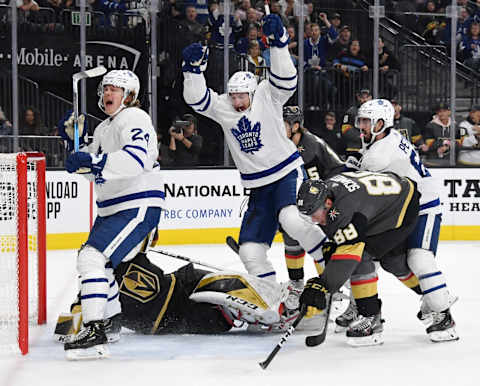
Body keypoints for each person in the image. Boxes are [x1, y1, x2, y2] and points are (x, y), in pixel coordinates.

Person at [182, 14, 328, 286]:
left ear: (251, 91)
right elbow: (197, 100)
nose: (237, 102)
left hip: (285, 173)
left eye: (241, 96)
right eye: (233, 96)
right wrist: (191, 71)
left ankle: (331, 272)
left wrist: (279, 44)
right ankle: (271, 298)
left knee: (293, 220)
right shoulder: (224, 106)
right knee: (249, 250)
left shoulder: (266, 94)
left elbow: (286, 79)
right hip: (258, 187)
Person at [57, 70, 165, 360]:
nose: (107, 93)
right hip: (113, 208)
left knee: (91, 258)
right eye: (105, 88)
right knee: (101, 267)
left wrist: (92, 159)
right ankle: (110, 323)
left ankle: (94, 333)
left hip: (136, 203)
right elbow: (90, 170)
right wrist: (72, 145)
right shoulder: (105, 127)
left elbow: (137, 159)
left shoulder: (134, 118)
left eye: (115, 89)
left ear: (129, 96)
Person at [351, 99, 458, 342]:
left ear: (382, 123)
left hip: (423, 206)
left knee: (419, 258)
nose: (362, 127)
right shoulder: (383, 140)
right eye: (362, 121)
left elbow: (364, 183)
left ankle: (443, 315)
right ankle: (431, 296)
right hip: (401, 207)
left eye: (367, 121)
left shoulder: (379, 154)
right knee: (391, 261)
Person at [55, 249, 303, 341]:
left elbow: (149, 235)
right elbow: (73, 317)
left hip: (178, 289)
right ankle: (275, 314)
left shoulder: (120, 257)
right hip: (174, 316)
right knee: (222, 294)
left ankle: (276, 301)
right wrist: (67, 331)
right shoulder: (94, 291)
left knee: (223, 281)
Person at [297, 171, 421, 346]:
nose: (313, 219)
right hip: (386, 198)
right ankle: (430, 293)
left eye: (314, 213)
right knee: (392, 263)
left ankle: (370, 317)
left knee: (363, 256)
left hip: (402, 205)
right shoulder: (328, 193)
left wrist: (323, 286)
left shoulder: (345, 209)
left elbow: (348, 257)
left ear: (328, 203)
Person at [281, 106, 345, 309]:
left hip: (325, 199)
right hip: (309, 199)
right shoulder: (286, 142)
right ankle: (297, 283)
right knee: (291, 237)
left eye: (283, 124)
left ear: (296, 126)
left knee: (318, 242)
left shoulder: (309, 145)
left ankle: (328, 286)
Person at [341, 88, 372, 158]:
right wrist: (362, 136)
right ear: (358, 97)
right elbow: (345, 130)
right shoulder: (351, 112)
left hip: (370, 149)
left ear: (371, 98)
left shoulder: (376, 112)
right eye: (362, 97)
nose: (365, 100)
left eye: (367, 97)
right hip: (354, 149)